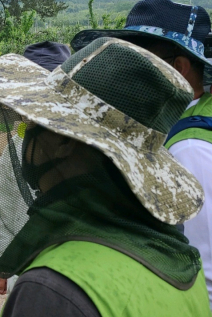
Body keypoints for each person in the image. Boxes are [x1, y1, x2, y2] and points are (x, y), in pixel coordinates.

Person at [0, 37, 210, 316]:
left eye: (35, 121)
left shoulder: (51, 289)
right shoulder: (184, 266)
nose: (27, 131)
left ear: (64, 142)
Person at [71, 0, 212, 308]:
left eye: (142, 57)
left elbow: (204, 266)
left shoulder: (190, 148)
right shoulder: (173, 124)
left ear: (178, 68)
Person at [0, 40, 71, 296]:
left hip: (70, 271)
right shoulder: (17, 144)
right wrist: (4, 261)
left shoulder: (81, 147)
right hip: (23, 266)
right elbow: (1, 204)